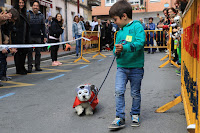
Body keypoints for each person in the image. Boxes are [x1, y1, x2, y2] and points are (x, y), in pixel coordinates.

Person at [108, 0, 145, 129]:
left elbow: (140, 44)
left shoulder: (137, 27)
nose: (114, 22)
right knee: (118, 91)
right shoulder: (119, 32)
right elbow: (115, 49)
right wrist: (116, 51)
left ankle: (135, 114)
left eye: (115, 19)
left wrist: (124, 48)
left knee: (135, 93)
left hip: (136, 67)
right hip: (122, 68)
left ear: (124, 16)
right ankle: (120, 117)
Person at [27, 0, 47, 73]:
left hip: (38, 36)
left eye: (37, 6)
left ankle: (37, 66)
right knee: (29, 52)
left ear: (39, 7)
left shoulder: (41, 15)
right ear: (32, 7)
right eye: (34, 5)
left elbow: (43, 27)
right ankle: (29, 67)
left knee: (38, 52)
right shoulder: (28, 14)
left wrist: (45, 36)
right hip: (30, 36)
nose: (35, 7)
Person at [0, 8, 19, 83]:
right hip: (2, 42)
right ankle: (1, 76)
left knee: (4, 60)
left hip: (4, 42)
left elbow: (9, 33)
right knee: (1, 61)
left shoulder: (9, 23)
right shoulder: (4, 22)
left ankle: (3, 75)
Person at [13, 0, 30, 75]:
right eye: (20, 3)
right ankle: (18, 69)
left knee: (23, 52)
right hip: (17, 36)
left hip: (25, 35)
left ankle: (22, 67)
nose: (21, 4)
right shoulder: (15, 12)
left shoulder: (25, 13)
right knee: (18, 53)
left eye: (22, 3)